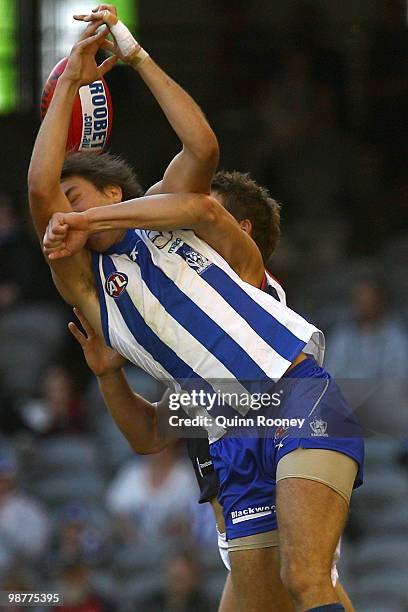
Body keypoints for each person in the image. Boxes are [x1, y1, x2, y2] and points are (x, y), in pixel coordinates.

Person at [29, 13, 363, 612]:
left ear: (113, 196)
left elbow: (203, 155)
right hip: (225, 424)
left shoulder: (183, 226)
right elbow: (152, 431)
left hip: (289, 390)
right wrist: (107, 371)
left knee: (306, 579)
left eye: (77, 199)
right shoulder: (92, 290)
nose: (65, 215)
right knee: (284, 595)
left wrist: (138, 58)